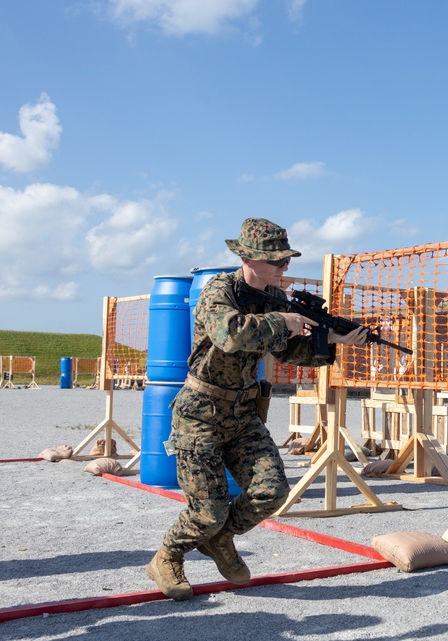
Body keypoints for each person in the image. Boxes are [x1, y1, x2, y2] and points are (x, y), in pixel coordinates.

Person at [146, 217, 368, 601]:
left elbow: (287, 351)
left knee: (271, 491)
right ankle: (167, 556)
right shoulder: (220, 291)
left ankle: (221, 541)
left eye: (286, 260)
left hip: (243, 413)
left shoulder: (274, 300)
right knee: (207, 510)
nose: (285, 268)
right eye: (277, 261)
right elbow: (230, 335)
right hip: (200, 413)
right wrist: (284, 321)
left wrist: (330, 338)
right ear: (247, 258)